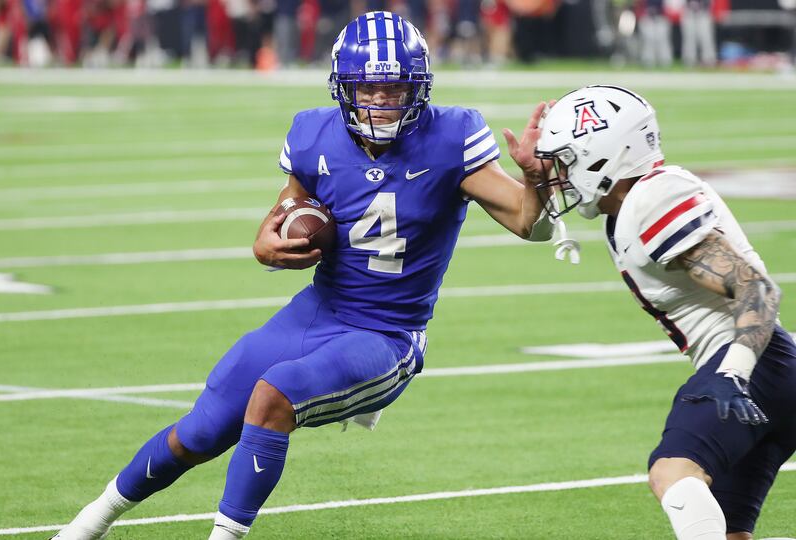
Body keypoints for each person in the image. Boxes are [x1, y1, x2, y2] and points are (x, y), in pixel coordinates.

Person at [52, 10, 564, 540]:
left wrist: (535, 183)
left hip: (387, 332)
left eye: (396, 89)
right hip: (318, 310)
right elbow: (286, 215)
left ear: (420, 88)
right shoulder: (313, 134)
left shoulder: (452, 137)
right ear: (345, 88)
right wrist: (263, 245)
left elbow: (532, 225)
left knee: (274, 395)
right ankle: (91, 522)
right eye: (369, 88)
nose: (382, 101)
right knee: (202, 428)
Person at [528, 84, 796, 540]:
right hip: (773, 369)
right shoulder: (638, 200)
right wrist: (536, 176)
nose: (562, 176)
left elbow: (757, 290)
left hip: (752, 366)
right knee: (726, 531)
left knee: (672, 473)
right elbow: (534, 226)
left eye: (567, 162)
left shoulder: (651, 201)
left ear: (604, 156)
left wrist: (732, 372)